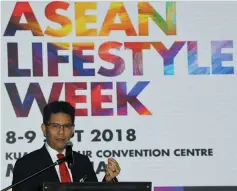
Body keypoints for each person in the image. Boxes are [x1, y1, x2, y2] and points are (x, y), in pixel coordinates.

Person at [12, 101, 121, 191]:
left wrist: (108, 181)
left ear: (73, 130)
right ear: (44, 129)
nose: (61, 132)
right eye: (55, 126)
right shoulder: (26, 165)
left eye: (67, 126)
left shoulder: (82, 161)